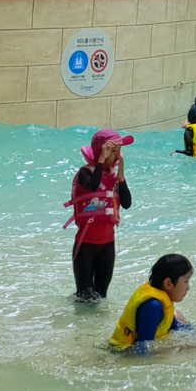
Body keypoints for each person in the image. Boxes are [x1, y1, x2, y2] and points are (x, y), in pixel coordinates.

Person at [66, 129, 134, 302]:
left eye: (119, 151)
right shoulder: (85, 173)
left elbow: (127, 204)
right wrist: (101, 160)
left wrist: (121, 178)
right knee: (85, 297)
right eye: (113, 151)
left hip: (107, 246)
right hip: (85, 246)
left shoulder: (114, 177)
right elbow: (93, 186)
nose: (117, 156)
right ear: (100, 152)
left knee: (101, 297)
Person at [110, 253, 194, 351]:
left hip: (136, 350)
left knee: (178, 316)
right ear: (168, 283)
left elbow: (177, 327)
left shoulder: (162, 299)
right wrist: (181, 348)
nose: (188, 288)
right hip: (123, 352)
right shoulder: (153, 306)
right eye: (186, 281)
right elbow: (142, 349)